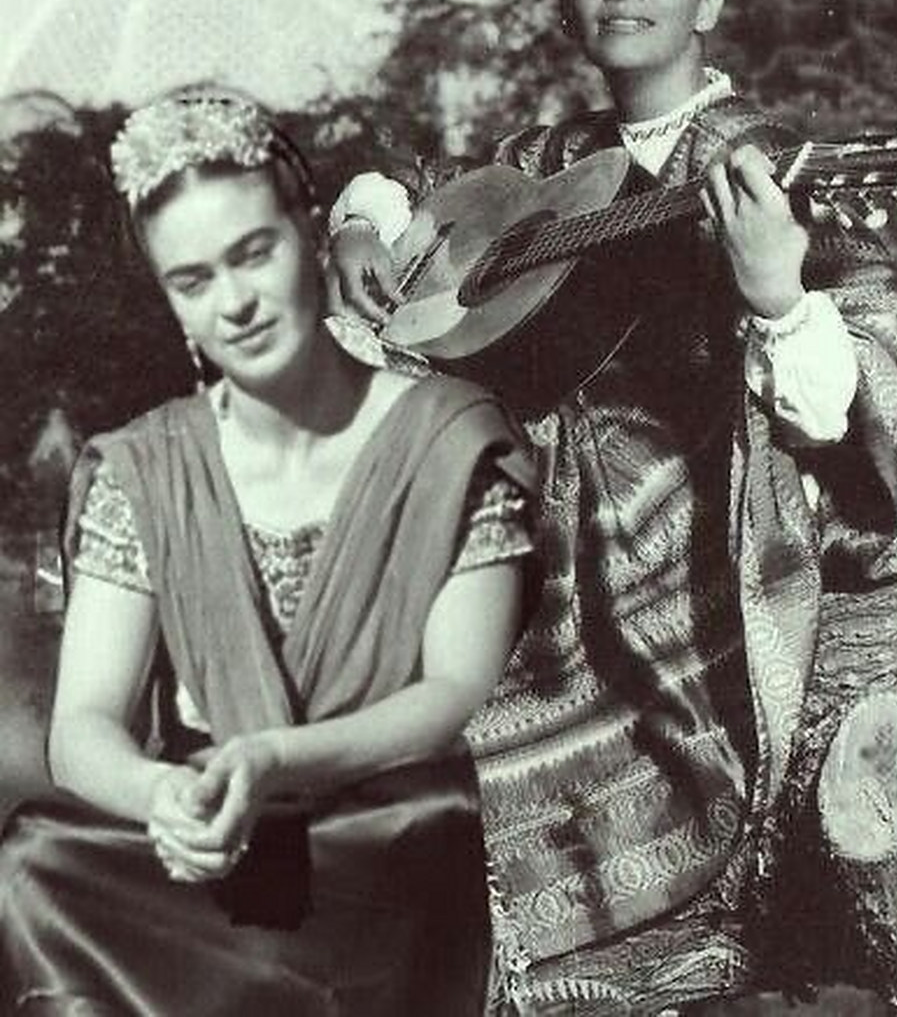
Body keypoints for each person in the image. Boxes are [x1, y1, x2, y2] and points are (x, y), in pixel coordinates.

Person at [328, 0, 897, 1013]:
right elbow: (409, 189)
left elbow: (883, 370)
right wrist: (364, 222)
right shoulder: (535, 158)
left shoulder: (770, 158)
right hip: (518, 501)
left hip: (684, 534)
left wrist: (776, 297)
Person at [0, 95, 535, 1016]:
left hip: (391, 821)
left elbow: (455, 695)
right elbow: (82, 723)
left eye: (254, 253)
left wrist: (279, 758)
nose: (236, 303)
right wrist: (163, 796)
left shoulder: (449, 438)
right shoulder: (146, 467)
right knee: (33, 862)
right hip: (217, 826)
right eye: (194, 280)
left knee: (442, 831)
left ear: (309, 233)